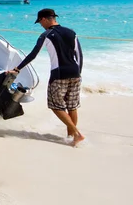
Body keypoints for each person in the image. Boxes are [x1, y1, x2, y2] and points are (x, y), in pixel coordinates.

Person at [7, 8, 85, 146]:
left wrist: (17, 68)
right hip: (75, 73)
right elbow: (79, 55)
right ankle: (71, 137)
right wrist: (78, 72)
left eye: (40, 22)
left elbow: (33, 54)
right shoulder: (71, 32)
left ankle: (76, 133)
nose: (41, 25)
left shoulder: (47, 35)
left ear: (44, 19)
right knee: (72, 106)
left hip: (59, 74)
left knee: (56, 106)